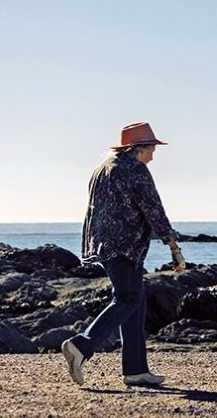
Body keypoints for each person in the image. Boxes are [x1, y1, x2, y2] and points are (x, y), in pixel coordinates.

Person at [62, 122, 185, 388]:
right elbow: (153, 209)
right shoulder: (135, 170)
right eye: (151, 149)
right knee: (128, 298)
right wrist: (173, 247)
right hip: (125, 247)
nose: (153, 155)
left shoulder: (102, 169)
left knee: (136, 303)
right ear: (138, 149)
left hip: (103, 244)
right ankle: (81, 345)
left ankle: (136, 370)